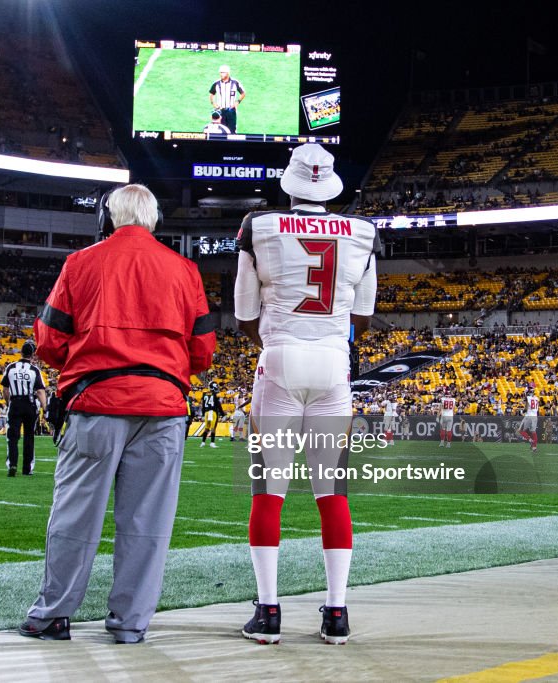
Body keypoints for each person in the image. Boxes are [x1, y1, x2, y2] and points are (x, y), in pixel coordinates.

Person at [19, 183, 216, 644]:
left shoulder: (81, 263)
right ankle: (130, 623)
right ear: (155, 221)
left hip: (96, 405)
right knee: (148, 523)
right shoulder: (185, 270)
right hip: (163, 408)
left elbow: (48, 342)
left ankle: (53, 614)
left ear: (106, 219)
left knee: (74, 517)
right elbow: (203, 352)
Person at [234, 143, 378, 645]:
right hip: (334, 365)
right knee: (332, 493)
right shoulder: (363, 232)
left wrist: (279, 343)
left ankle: (268, 612)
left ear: (290, 183)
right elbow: (363, 314)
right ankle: (337, 614)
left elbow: (245, 313)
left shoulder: (260, 226)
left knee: (268, 492)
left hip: (279, 361)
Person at [1, 340, 47, 476]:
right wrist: (45, 408)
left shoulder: (10, 367)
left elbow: (5, 389)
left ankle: (12, 464)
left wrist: (10, 403)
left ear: (21, 352)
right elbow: (40, 391)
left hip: (15, 403)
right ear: (32, 355)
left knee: (12, 437)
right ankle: (27, 468)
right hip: (29, 404)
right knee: (29, 437)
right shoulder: (34, 370)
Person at [209, 65, 245, 133]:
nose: (221, 74)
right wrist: (213, 104)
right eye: (220, 72)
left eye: (223, 72)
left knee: (232, 130)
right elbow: (211, 94)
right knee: (221, 130)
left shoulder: (235, 82)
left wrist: (237, 102)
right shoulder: (216, 83)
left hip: (231, 110)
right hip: (220, 110)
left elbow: (243, 93)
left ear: (228, 73)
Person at [199, 381, 223, 448]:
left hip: (207, 412)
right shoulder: (215, 394)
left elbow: (203, 405)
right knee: (213, 428)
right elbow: (218, 405)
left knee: (206, 428)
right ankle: (212, 443)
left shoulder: (205, 394)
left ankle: (203, 442)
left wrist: (203, 414)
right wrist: (223, 414)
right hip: (212, 412)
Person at [518, 384, 539, 452]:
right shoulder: (536, 398)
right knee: (533, 432)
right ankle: (534, 448)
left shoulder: (528, 398)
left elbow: (526, 409)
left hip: (529, 416)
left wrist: (522, 411)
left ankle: (530, 441)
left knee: (520, 430)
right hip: (535, 416)